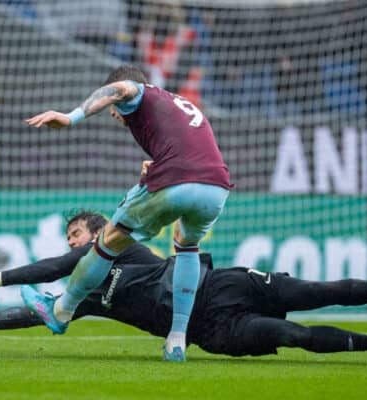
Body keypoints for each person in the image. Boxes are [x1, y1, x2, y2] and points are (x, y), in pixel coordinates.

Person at [0, 211, 367, 357]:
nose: (72, 246)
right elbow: (31, 313)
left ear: (96, 233)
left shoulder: (122, 245)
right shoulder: (80, 298)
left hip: (223, 288)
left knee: (317, 290)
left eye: (77, 236)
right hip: (210, 330)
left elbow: (49, 266)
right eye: (68, 240)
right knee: (293, 336)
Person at [23, 64, 232, 361]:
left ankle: (61, 310)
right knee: (187, 246)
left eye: (113, 107)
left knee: (107, 241)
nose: (111, 111)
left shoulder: (138, 94)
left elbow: (120, 89)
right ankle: (177, 340)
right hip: (216, 188)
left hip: (179, 180)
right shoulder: (177, 103)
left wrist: (70, 118)